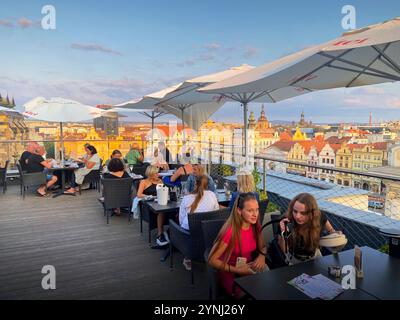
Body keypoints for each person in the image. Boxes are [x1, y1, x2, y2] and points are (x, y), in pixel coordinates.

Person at [208, 193, 267, 298]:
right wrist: (238, 270)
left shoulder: (255, 225)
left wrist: (262, 256)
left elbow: (263, 247)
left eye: (257, 209)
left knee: (267, 288)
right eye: (250, 210)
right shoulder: (230, 232)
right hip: (229, 271)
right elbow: (212, 260)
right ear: (239, 211)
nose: (255, 214)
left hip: (248, 266)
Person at [278, 193, 338, 264]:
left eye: (303, 213)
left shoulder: (319, 216)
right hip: (294, 259)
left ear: (312, 213)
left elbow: (331, 230)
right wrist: (283, 232)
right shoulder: (285, 221)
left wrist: (336, 235)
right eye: (295, 211)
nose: (297, 216)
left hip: (315, 256)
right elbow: (284, 250)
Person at [179, 175, 220, 270]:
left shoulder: (186, 198)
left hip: (189, 234)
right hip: (208, 233)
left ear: (195, 184)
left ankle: (188, 257)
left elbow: (181, 219)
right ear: (208, 185)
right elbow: (216, 213)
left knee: (180, 224)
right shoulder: (212, 195)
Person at [137, 165, 169, 246]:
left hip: (160, 202)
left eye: (158, 173)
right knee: (161, 211)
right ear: (150, 174)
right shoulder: (143, 182)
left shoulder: (160, 181)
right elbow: (139, 195)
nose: (158, 175)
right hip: (148, 205)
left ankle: (171, 232)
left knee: (174, 210)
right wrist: (150, 196)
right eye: (156, 173)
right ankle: (160, 234)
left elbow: (164, 192)